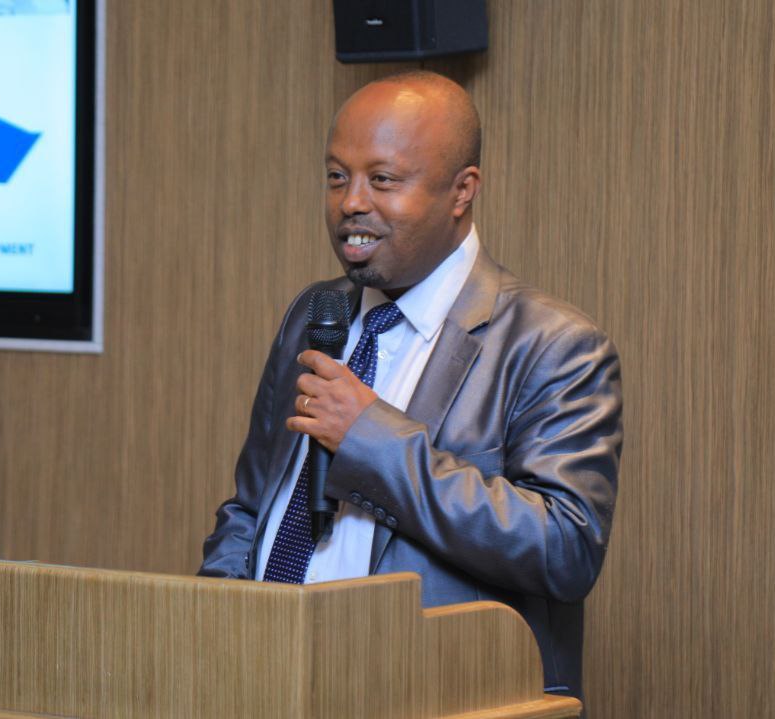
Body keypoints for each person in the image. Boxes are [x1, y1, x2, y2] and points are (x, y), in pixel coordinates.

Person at [198, 70, 622, 701]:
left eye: (383, 179)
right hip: (267, 681)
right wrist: (219, 626)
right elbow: (253, 505)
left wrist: (369, 439)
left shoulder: (554, 345)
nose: (351, 202)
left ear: (462, 191)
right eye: (336, 176)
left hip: (432, 695)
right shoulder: (314, 315)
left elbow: (564, 549)